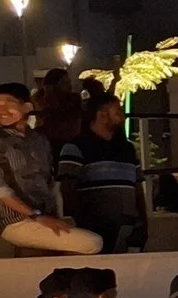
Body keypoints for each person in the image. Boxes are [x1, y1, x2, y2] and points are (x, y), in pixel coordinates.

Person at [0, 83, 104, 254]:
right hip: (16, 221)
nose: (1, 110)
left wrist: (56, 216)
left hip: (45, 216)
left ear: (27, 107)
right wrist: (36, 215)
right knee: (92, 243)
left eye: (9, 103)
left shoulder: (39, 140)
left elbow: (51, 183)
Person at [56, 93, 147, 251]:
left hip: (128, 227)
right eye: (117, 112)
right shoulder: (76, 147)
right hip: (95, 227)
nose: (123, 116)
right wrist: (82, 221)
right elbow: (68, 188)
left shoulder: (127, 149)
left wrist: (143, 221)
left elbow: (137, 187)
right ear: (102, 115)